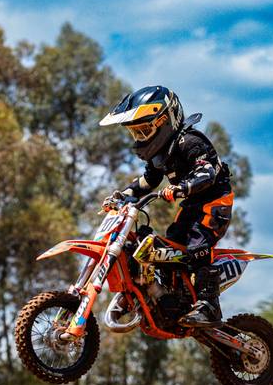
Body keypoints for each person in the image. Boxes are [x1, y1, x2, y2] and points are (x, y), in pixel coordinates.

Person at [99, 85, 232, 327]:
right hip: (192, 204)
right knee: (169, 245)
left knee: (197, 245)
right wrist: (124, 195)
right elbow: (148, 180)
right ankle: (171, 296)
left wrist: (182, 187)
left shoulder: (191, 142)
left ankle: (209, 306)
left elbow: (207, 172)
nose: (140, 138)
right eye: (136, 133)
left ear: (165, 121)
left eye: (144, 130)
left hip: (214, 202)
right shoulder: (160, 153)